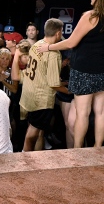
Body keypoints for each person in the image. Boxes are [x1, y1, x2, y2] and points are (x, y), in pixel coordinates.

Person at [36, 0, 104, 148]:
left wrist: (48, 47)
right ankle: (98, 147)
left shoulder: (90, 17)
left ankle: (78, 150)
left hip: (86, 70)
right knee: (100, 110)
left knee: (82, 112)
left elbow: (71, 43)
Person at [12, 18, 66, 152]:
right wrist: (69, 90)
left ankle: (30, 157)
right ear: (58, 33)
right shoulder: (54, 54)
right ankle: (25, 158)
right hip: (41, 99)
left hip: (29, 95)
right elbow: (54, 84)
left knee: (36, 130)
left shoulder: (37, 44)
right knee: (34, 132)